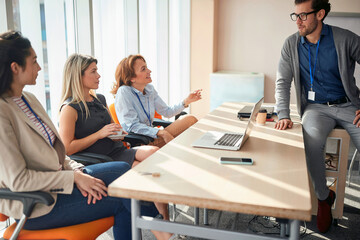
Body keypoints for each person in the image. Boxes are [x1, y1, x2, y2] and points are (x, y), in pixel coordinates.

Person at [0, 30, 171, 240]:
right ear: (15, 68)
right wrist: (73, 177)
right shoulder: (3, 112)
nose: (39, 67)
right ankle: (166, 234)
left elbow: (57, 152)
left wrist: (78, 172)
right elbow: (19, 181)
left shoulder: (29, 99)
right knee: (123, 197)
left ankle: (165, 232)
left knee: (123, 170)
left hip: (63, 181)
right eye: (34, 61)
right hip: (38, 204)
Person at [274, 0, 360, 233]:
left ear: (320, 14)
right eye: (296, 15)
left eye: (303, 15)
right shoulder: (291, 44)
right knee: (311, 141)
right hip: (315, 108)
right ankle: (323, 198)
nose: (298, 21)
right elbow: (283, 82)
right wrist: (282, 113)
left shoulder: (346, 38)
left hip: (348, 105)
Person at [58, 53, 170, 222]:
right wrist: (99, 134)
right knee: (147, 173)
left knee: (155, 154)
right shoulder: (69, 109)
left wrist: (118, 134)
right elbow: (67, 148)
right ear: (78, 76)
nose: (99, 75)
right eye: (93, 71)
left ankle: (165, 221)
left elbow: (111, 127)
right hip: (99, 160)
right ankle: (157, 221)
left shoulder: (99, 99)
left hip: (116, 150)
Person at [111, 54, 202, 148]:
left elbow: (167, 111)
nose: (149, 71)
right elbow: (132, 126)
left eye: (146, 68)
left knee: (189, 120)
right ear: (132, 78)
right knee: (190, 121)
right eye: (143, 69)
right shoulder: (124, 92)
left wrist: (186, 101)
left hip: (153, 137)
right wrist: (161, 132)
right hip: (143, 143)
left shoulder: (149, 89)